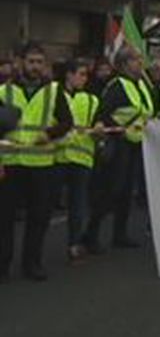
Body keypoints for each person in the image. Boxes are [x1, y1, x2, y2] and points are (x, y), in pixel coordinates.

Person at [0, 46, 74, 282]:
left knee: (39, 217)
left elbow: (67, 122)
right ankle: (3, 264)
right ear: (19, 62)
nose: (35, 66)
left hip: (42, 164)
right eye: (31, 61)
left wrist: (50, 135)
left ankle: (32, 263)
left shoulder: (54, 91)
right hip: (10, 163)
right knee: (4, 219)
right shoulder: (4, 91)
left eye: (40, 62)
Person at [83, 48, 153, 253]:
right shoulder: (117, 86)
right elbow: (103, 113)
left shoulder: (141, 85)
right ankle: (91, 233)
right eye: (136, 59)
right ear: (124, 64)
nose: (140, 63)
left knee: (126, 191)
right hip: (120, 143)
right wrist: (119, 131)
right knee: (113, 190)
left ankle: (119, 234)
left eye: (140, 59)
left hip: (136, 143)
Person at [53, 60, 101, 264]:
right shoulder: (55, 95)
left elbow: (99, 126)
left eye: (86, 75)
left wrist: (99, 131)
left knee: (78, 205)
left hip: (82, 158)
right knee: (45, 205)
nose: (84, 78)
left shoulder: (91, 100)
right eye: (81, 74)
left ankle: (74, 245)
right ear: (69, 75)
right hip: (56, 156)